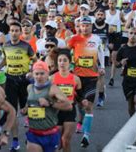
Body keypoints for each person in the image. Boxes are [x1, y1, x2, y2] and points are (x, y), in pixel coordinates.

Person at [0, 21, 36, 151]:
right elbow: (5, 59)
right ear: (9, 32)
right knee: (12, 111)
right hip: (10, 80)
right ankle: (15, 140)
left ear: (20, 32)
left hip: (24, 80)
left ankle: (31, 135)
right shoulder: (6, 45)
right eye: (12, 30)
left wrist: (32, 71)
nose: (14, 33)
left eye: (16, 31)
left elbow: (35, 60)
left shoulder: (26, 46)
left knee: (28, 110)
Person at [67, 16, 105, 148]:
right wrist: (69, 67)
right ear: (79, 26)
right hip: (77, 77)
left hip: (91, 77)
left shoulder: (96, 39)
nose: (85, 27)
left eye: (87, 25)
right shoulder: (74, 39)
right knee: (79, 104)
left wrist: (102, 67)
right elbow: (67, 53)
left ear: (91, 26)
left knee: (88, 106)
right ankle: (81, 120)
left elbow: (101, 52)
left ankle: (86, 136)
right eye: (83, 25)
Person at [21, 61, 72, 152]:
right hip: (34, 133)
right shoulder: (30, 88)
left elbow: (68, 106)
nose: (39, 76)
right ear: (33, 74)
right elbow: (29, 104)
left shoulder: (52, 88)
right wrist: (25, 110)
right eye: (36, 74)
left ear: (47, 73)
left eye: (42, 73)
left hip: (50, 134)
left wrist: (50, 103)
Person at [51, 49, 81, 152]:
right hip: (56, 112)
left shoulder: (76, 79)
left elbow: (80, 96)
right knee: (58, 143)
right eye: (60, 60)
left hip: (70, 111)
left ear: (69, 62)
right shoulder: (52, 78)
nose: (62, 63)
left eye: (65, 60)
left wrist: (84, 101)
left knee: (65, 140)